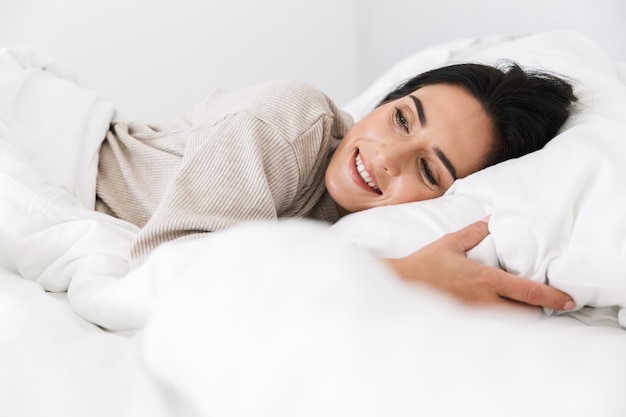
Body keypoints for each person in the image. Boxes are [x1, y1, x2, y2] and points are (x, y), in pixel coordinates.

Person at [95, 61, 577, 311]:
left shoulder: (373, 228)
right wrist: (399, 276)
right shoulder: (292, 119)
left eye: (429, 171)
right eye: (401, 118)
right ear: (383, 101)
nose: (384, 156)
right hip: (71, 156)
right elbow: (166, 277)